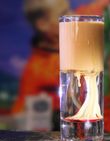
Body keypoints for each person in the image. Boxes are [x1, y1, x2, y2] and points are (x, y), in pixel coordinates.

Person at [11, 0, 70, 130]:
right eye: (64, 14)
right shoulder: (36, 70)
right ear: (43, 24)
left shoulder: (72, 47)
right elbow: (20, 114)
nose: (72, 15)